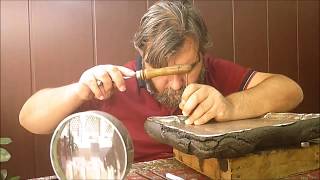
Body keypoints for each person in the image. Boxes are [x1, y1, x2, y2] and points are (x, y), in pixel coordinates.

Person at [19, 0, 303, 162]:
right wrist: (80, 90)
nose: (177, 84)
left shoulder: (214, 71)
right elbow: (30, 118)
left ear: (202, 54)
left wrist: (229, 106)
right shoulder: (114, 84)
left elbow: (291, 91)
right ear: (143, 54)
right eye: (162, 73)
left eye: (187, 69)